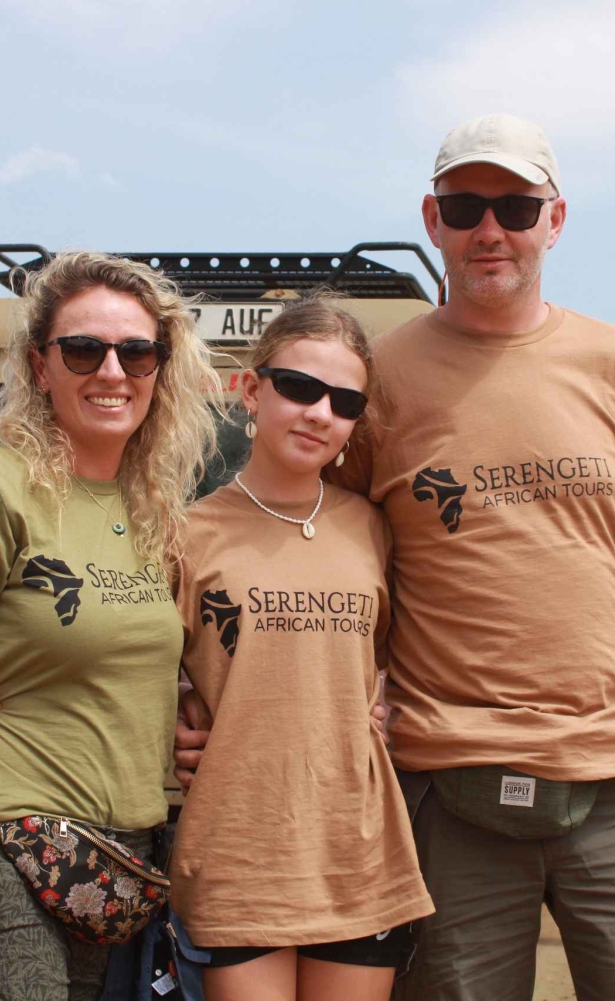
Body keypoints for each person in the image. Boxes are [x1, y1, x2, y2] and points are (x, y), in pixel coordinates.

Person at [177, 113, 615, 1001]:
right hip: (445, 786)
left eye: (516, 207)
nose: (491, 230)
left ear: (555, 220)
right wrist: (204, 693)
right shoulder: (377, 381)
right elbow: (300, 541)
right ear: (433, 219)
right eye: (466, 206)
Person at [0, 251, 219, 1001]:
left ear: (159, 370)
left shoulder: (156, 511)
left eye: (136, 352)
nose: (112, 370)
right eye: (83, 350)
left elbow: (129, 660)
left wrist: (185, 714)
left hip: (119, 862)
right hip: (5, 838)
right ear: (40, 367)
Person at [171, 299, 434, 1001]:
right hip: (239, 849)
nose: (320, 412)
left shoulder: (374, 527)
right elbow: (136, 668)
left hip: (359, 850)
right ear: (251, 391)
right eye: (299, 387)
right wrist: (173, 718)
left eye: (345, 401)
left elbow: (395, 658)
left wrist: (384, 700)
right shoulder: (184, 535)